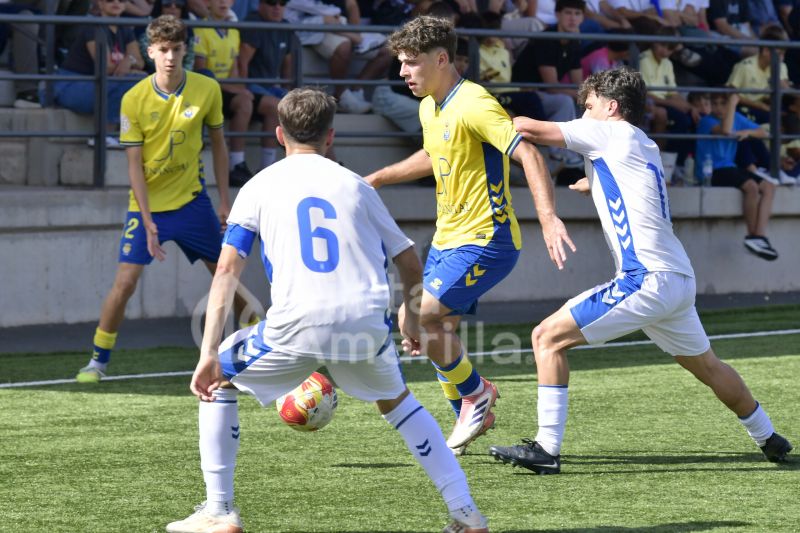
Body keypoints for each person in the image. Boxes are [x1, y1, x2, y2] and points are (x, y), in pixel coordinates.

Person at [166, 87, 490, 533]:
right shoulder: (356, 185)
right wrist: (411, 320)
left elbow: (225, 272)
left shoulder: (259, 186)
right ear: (331, 137)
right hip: (364, 322)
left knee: (217, 381)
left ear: (279, 135)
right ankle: (465, 512)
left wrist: (207, 353)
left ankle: (219, 510)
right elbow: (409, 258)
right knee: (398, 404)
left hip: (295, 323)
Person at [488, 67, 792, 473]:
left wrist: (474, 118)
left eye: (589, 105)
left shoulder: (608, 132)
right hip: (677, 278)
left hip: (645, 279)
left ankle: (546, 449)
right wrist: (591, 181)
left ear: (612, 107)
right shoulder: (643, 142)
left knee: (546, 337)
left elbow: (527, 127)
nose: (583, 112)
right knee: (709, 366)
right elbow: (627, 184)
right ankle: (769, 436)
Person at [365, 15, 575, 455]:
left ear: (441, 59)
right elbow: (434, 152)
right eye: (401, 63)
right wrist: (381, 177)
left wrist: (549, 216)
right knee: (417, 325)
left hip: (488, 238)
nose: (403, 72)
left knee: (426, 318)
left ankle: (477, 396)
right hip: (447, 238)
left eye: (411, 63)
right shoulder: (430, 105)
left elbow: (530, 154)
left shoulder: (476, 103)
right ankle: (469, 412)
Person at [75, 15, 257, 383]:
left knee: (225, 274)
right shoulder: (134, 98)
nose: (170, 57)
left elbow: (219, 146)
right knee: (125, 283)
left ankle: (266, 343)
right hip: (147, 208)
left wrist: (225, 201)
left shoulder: (206, 89)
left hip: (193, 204)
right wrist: (146, 220)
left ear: (185, 50)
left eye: (176, 49)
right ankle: (97, 361)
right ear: (150, 52)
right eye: (163, 50)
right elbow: (134, 168)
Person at [695, 92, 781, 260]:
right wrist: (733, 104)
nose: (719, 108)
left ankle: (759, 237)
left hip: (730, 167)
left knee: (769, 187)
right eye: (715, 103)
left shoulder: (736, 117)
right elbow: (726, 130)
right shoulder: (707, 121)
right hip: (712, 171)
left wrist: (747, 132)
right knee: (751, 186)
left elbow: (763, 132)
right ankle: (751, 236)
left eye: (723, 103)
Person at [52, 0, 146, 146]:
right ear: (100, 3)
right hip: (71, 86)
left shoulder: (125, 29)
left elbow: (139, 62)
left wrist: (128, 61)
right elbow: (106, 67)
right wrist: (129, 65)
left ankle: (117, 134)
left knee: (142, 80)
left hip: (98, 85)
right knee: (131, 81)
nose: (115, 2)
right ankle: (103, 136)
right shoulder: (93, 27)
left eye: (121, 0)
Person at [194, 0, 254, 186]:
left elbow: (234, 71)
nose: (222, 2)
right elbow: (201, 73)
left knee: (271, 104)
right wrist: (236, 90)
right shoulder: (200, 29)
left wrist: (237, 88)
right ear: (207, 3)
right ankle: (235, 164)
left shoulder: (233, 30)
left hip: (227, 88)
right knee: (244, 101)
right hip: (206, 89)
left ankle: (244, 165)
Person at [238, 0, 293, 170]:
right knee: (275, 106)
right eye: (271, 2)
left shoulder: (285, 26)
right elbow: (242, 63)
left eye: (282, 3)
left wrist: (289, 92)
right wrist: (243, 90)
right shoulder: (253, 23)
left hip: (271, 87)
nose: (277, 7)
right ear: (260, 4)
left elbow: (287, 63)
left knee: (305, 108)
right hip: (251, 85)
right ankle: (267, 168)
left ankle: (329, 163)